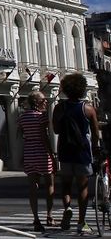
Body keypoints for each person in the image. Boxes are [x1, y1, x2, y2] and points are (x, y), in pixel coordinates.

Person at [53, 72, 100, 234]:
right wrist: (95, 148)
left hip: (65, 151)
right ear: (82, 89)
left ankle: (67, 208)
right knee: (83, 187)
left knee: (66, 185)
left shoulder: (59, 108)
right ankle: (81, 221)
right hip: (82, 152)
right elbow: (95, 133)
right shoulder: (88, 109)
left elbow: (56, 130)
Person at [18, 91, 55, 233]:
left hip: (29, 151)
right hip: (41, 150)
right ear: (37, 102)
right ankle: (49, 216)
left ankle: (36, 218)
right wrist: (51, 154)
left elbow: (23, 137)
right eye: (43, 100)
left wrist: (23, 155)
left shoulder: (22, 118)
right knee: (49, 184)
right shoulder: (42, 117)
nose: (45, 102)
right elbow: (44, 137)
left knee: (33, 187)